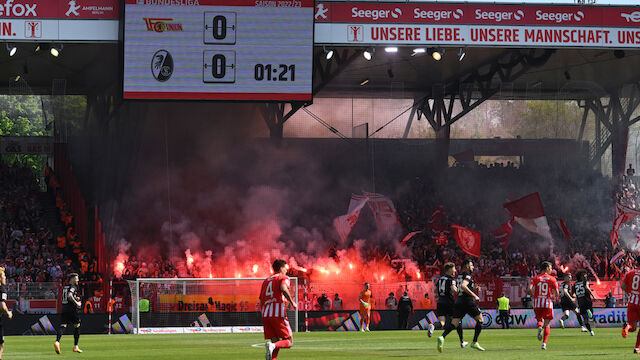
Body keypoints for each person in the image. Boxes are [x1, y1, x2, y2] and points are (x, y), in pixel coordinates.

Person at [437, 259, 484, 352]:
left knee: (454, 323)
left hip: (459, 301)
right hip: (468, 301)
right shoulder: (468, 275)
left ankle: (442, 337)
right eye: (471, 265)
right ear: (466, 266)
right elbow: (463, 286)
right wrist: (475, 295)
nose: (473, 267)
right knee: (480, 320)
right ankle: (474, 342)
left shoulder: (459, 276)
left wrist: (474, 289)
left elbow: (462, 288)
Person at [260, 259, 297, 360]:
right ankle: (272, 346)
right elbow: (283, 288)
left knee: (275, 340)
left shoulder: (266, 280)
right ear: (281, 268)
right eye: (286, 268)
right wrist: (292, 302)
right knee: (289, 341)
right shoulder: (283, 277)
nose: (286, 270)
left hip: (266, 314)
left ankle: (272, 356)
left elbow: (261, 299)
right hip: (277, 313)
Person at [428, 262, 467, 348]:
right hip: (449, 302)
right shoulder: (451, 279)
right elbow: (453, 289)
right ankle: (462, 341)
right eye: (454, 269)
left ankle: (433, 326)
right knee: (457, 321)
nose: (455, 270)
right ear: (449, 270)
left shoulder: (440, 279)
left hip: (440, 302)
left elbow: (435, 291)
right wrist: (460, 291)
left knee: (442, 323)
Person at [528, 261, 560, 350]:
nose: (551, 270)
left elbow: (529, 289)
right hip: (547, 303)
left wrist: (533, 295)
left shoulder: (535, 278)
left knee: (539, 319)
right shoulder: (552, 279)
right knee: (547, 324)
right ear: (546, 268)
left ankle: (539, 327)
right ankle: (544, 344)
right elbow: (557, 293)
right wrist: (553, 296)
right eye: (550, 268)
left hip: (537, 302)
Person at [54, 273, 83, 354]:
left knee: (63, 326)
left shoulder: (65, 287)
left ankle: (57, 342)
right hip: (72, 309)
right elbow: (70, 296)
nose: (78, 280)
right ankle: (75, 346)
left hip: (64, 308)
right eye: (77, 278)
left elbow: (68, 295)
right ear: (72, 279)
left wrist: (75, 297)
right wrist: (77, 303)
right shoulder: (73, 286)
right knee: (77, 326)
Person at [621, 258, 640, 353]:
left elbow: (623, 286)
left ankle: (627, 327)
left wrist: (631, 293)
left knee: (633, 327)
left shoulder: (630, 273)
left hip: (632, 302)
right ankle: (637, 348)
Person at [573, 269, 595, 336]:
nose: (586, 275)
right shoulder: (585, 281)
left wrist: (576, 295)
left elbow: (572, 294)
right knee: (591, 315)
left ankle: (591, 331)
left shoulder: (575, 284)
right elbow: (587, 288)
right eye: (584, 274)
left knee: (585, 318)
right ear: (581, 276)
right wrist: (592, 295)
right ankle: (589, 311)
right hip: (587, 299)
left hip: (580, 301)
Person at [0, 267, 13, 360]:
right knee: (0, 345)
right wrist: (8, 313)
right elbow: (2, 306)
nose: (5, 278)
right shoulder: (1, 289)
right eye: (4, 276)